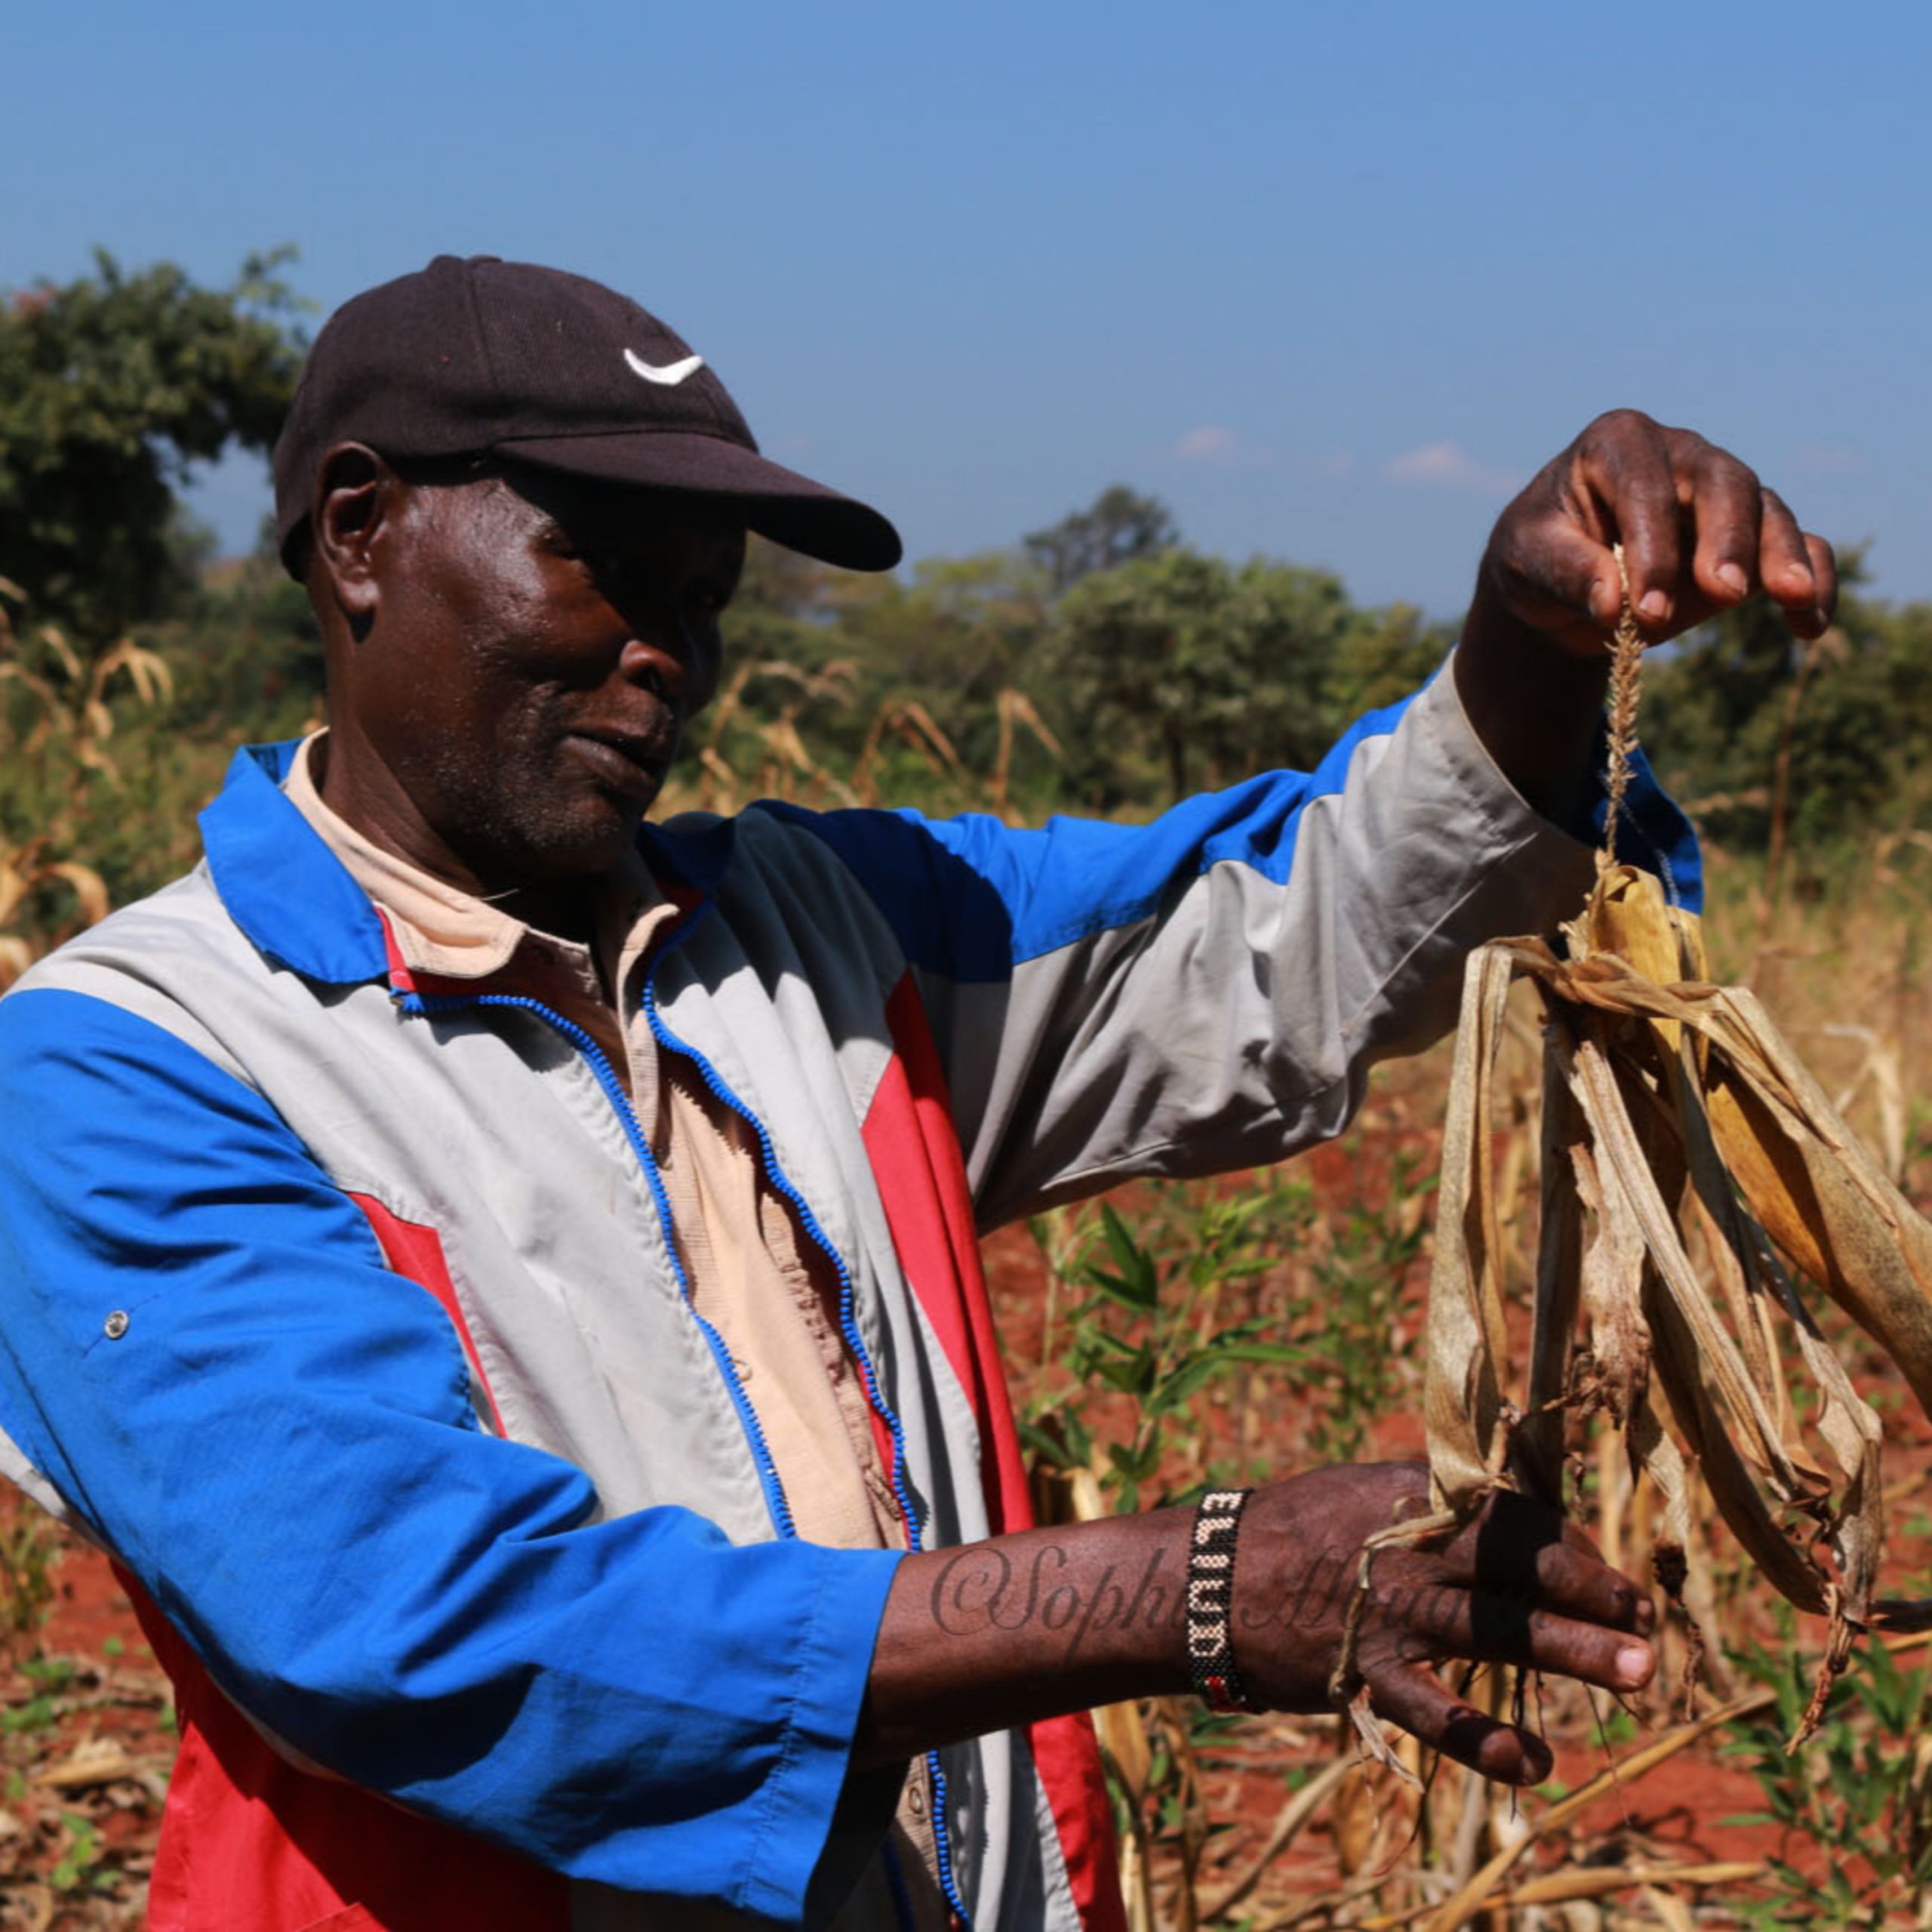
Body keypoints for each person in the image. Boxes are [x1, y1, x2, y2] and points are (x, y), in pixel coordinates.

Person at [0, 255, 1835, 1932]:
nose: (669, 656)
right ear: (360, 533)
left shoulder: (821, 923)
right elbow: (422, 1624)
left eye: (704, 603)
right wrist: (1177, 1589)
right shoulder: (143, 1056)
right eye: (605, 567)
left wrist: (1526, 643)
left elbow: (1285, 941)